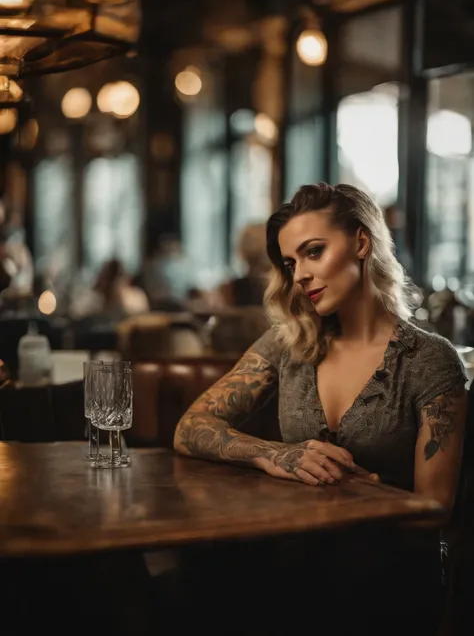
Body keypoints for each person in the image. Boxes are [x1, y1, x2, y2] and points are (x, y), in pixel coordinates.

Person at [173, 183, 469, 633]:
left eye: (314, 252)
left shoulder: (428, 358)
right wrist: (278, 455)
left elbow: (433, 510)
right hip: (297, 563)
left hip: (390, 581)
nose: (300, 276)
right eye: (291, 263)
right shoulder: (292, 342)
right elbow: (191, 426)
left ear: (361, 242)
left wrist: (361, 492)